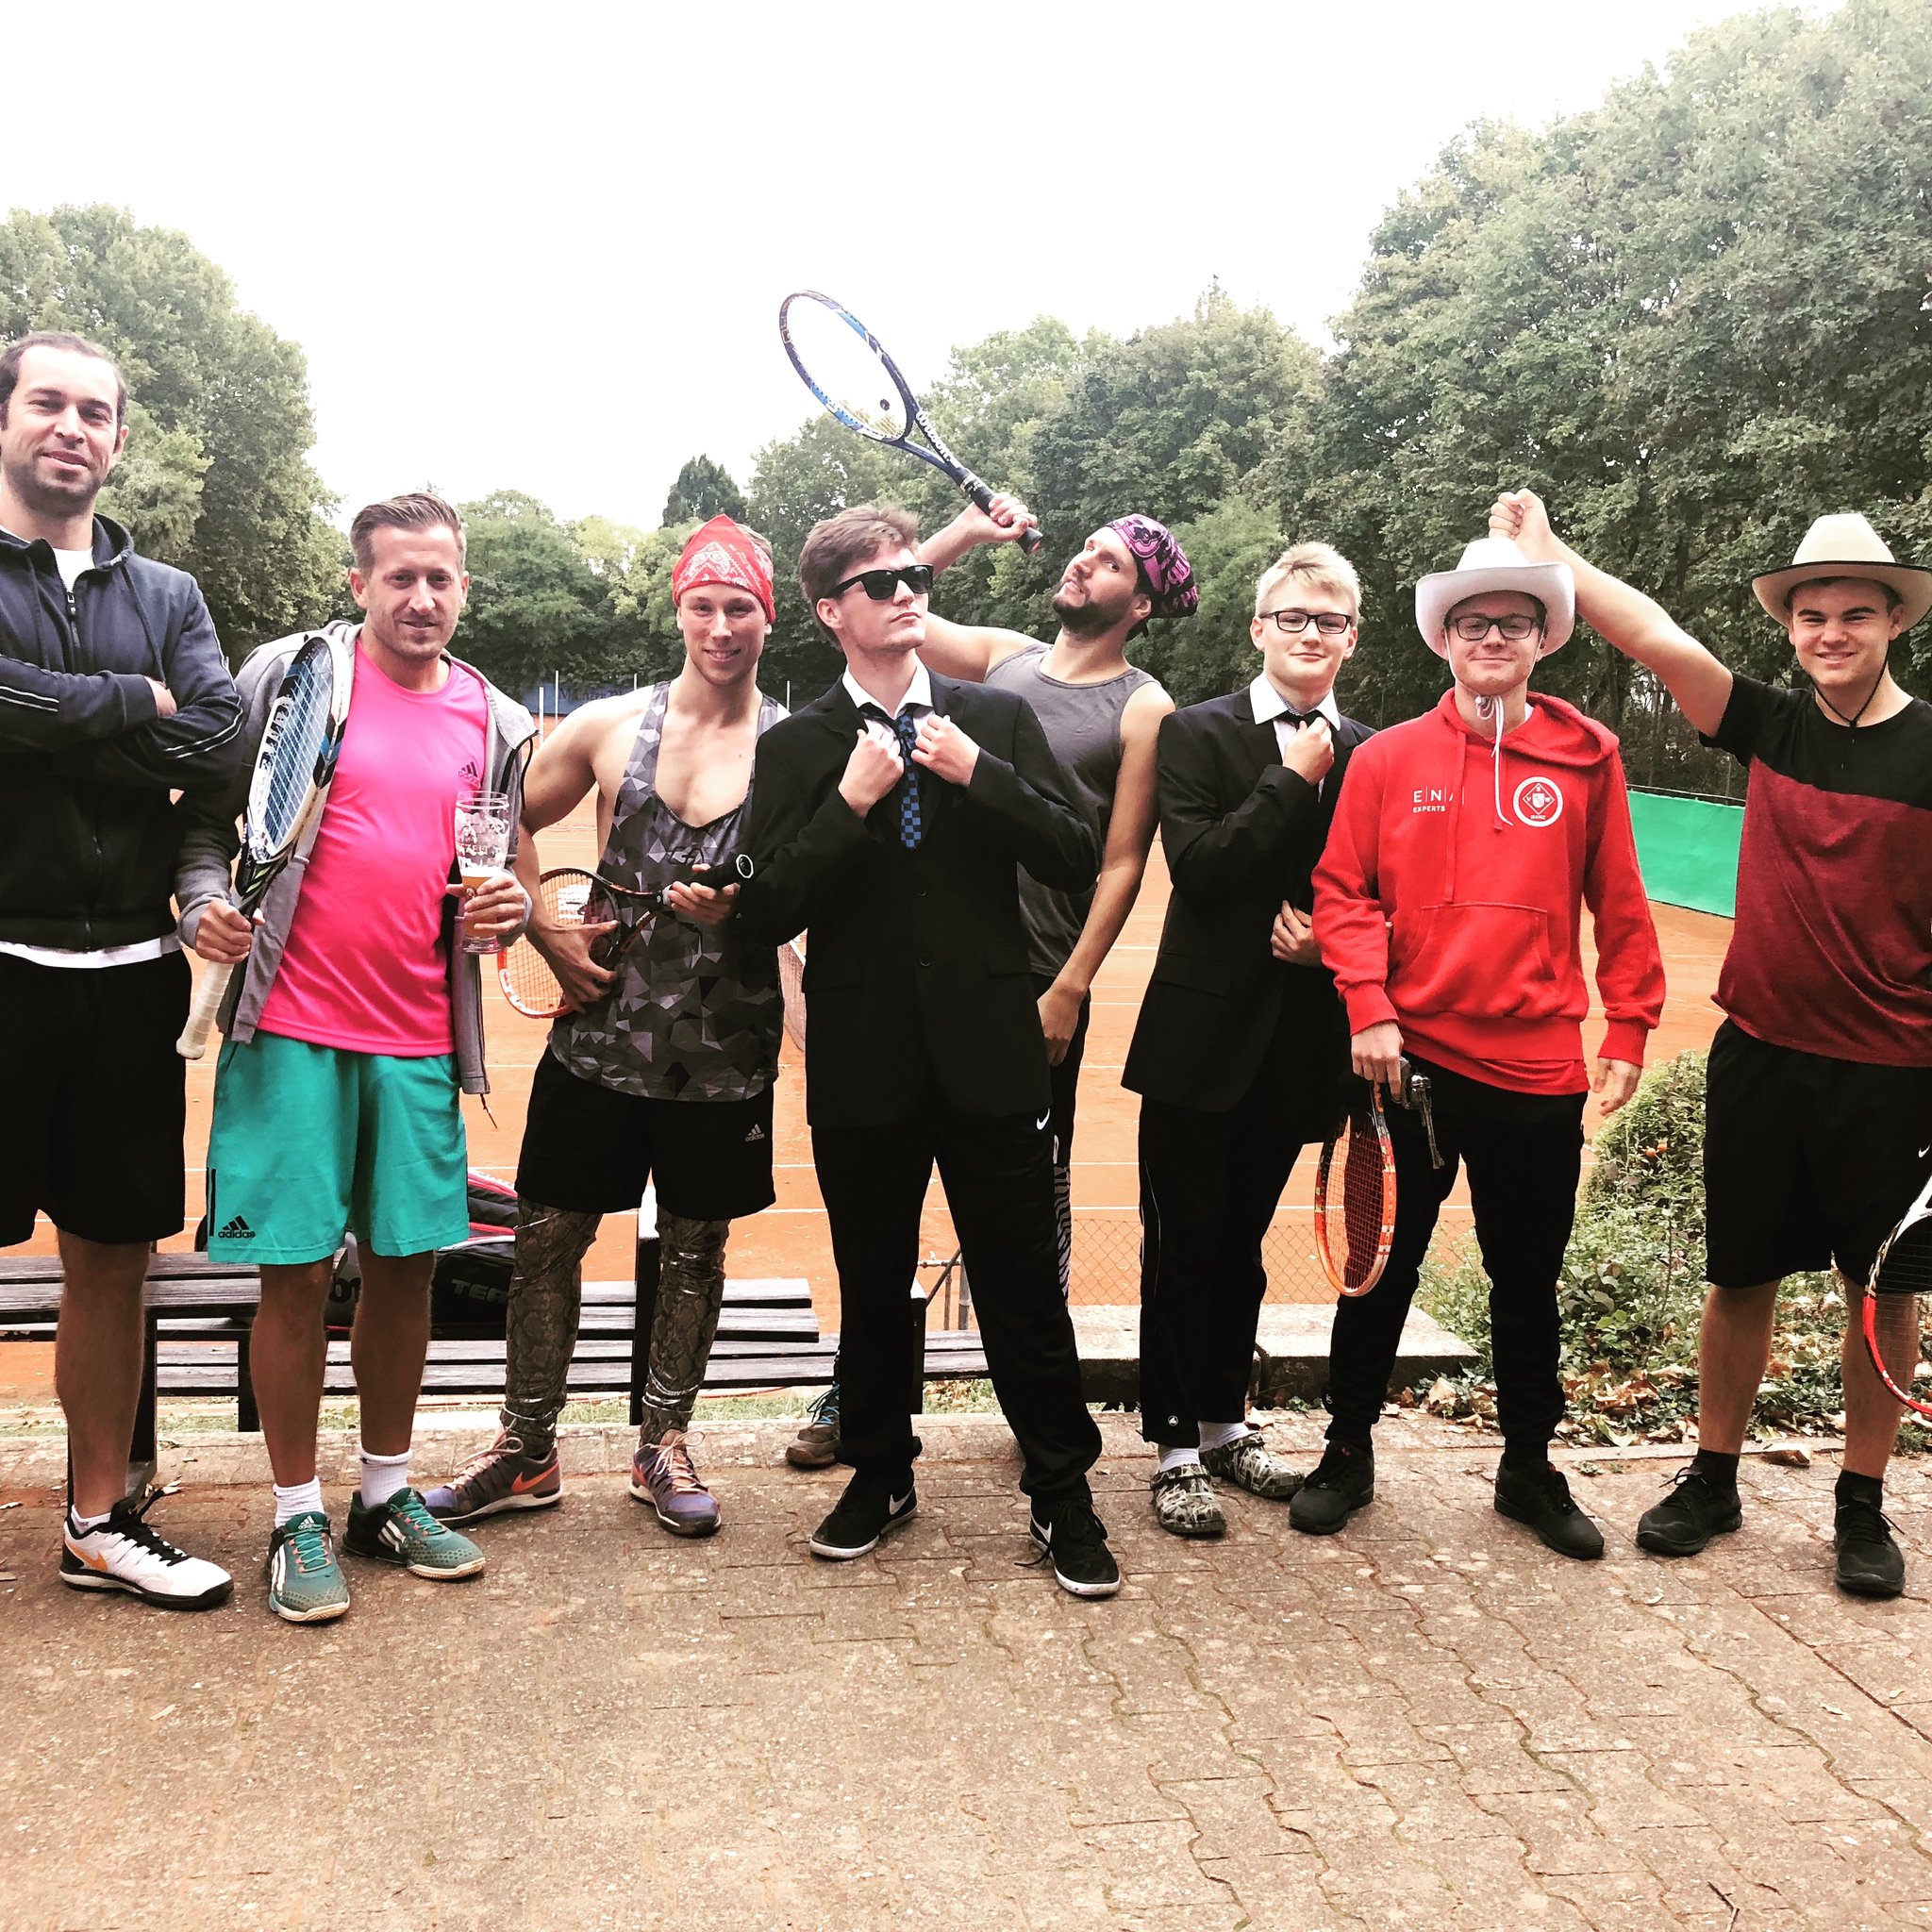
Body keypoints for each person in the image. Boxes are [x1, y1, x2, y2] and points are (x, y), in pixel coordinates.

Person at [1493, 491, 1932, 1597]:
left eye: (1854, 613)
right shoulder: (1769, 724)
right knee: (1738, 1277)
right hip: (1760, 1056)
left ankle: (1859, 1501)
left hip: (1892, 1074)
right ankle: (1712, 1475)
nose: (1829, 633)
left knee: (1878, 1292)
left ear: (1894, 620)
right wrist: (1552, 552)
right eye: (1810, 615)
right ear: (1789, 625)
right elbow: (1651, 634)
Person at [737, 505, 1119, 1597]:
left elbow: (1073, 849)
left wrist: (975, 774)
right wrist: (848, 802)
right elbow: (764, 908)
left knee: (1019, 1285)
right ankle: (880, 1472)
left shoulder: (990, 718)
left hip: (989, 1050)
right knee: (871, 1281)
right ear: (830, 611)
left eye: (915, 574)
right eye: (880, 581)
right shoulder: (796, 745)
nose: (907, 590)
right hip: (862, 1058)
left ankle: (1062, 1491)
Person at [176, 492, 536, 1623]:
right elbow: (202, 825)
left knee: (406, 1269)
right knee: (292, 1276)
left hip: (420, 1040)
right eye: (399, 578)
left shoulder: (495, 718)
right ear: (359, 584)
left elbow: (495, 876)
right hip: (287, 1029)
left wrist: (512, 911)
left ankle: (384, 1493)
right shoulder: (291, 679)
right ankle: (294, 1513)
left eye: (440, 579)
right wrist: (198, 905)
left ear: (464, 586)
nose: (420, 598)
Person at [424, 517, 786, 1538]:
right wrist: (543, 931)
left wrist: (747, 910)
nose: (721, 627)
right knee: (547, 1239)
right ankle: (525, 1448)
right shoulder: (610, 725)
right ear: (679, 610)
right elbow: (498, 821)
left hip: (725, 1046)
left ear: (768, 617)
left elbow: (818, 887)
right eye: (703, 606)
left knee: (696, 1250)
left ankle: (662, 1441)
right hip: (599, 1033)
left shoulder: (794, 747)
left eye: (741, 607)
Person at [1307, 531, 1664, 1557]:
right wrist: (1369, 1005)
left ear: (1542, 638)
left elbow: (1619, 900)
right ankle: (1345, 1450)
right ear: (1445, 639)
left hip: (1539, 1071)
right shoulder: (1385, 758)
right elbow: (1342, 891)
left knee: (1526, 1281)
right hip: (1405, 1065)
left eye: (1513, 622)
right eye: (1473, 623)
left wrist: (1629, 1020)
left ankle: (1528, 1468)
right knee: (1379, 1270)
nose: (1492, 638)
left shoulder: (1589, 755)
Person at [0, 330, 242, 1610]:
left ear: (118, 438)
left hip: (130, 973)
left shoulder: (172, 595)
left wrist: (46, 720)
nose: (71, 427)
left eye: (94, 411)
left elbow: (221, 738)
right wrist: (128, 705)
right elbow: (166, 726)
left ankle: (97, 1521)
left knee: (111, 1258)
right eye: (48, 402)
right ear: (6, 419)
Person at [1124, 542, 1374, 1537]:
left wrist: (1331, 950)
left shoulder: (1374, 751)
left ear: (1350, 639)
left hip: (1300, 1043)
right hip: (1196, 1040)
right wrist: (1290, 778)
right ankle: (1174, 1449)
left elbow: (1386, 894)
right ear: (1258, 628)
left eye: (1328, 621)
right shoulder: (1193, 732)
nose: (1309, 634)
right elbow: (1201, 868)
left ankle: (1226, 1426)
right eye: (1292, 617)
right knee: (1180, 1247)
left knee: (1240, 1249)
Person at [915, 502, 1181, 1291]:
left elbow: (1123, 863)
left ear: (1140, 605)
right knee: (908, 1168)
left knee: (1033, 1185)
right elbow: (894, 607)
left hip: (1038, 977)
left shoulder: (1144, 706)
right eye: (1086, 548)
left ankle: (1039, 1337)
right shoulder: (1003, 658)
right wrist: (968, 531)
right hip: (942, 955)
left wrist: (1071, 987)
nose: (1082, 561)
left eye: (1109, 562)